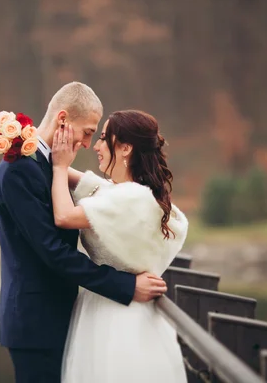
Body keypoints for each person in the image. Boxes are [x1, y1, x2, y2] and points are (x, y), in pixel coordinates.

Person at [0, 82, 168, 383]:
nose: (88, 143)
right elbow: (53, 252)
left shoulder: (46, 165)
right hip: (36, 324)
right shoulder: (21, 169)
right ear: (63, 119)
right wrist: (126, 285)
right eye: (88, 132)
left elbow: (99, 190)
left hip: (57, 318)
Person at [51, 109, 189, 383]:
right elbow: (91, 184)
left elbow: (64, 217)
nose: (96, 147)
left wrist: (58, 168)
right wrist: (41, 149)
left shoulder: (130, 197)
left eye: (103, 138)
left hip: (118, 317)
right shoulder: (121, 192)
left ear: (125, 147)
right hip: (109, 307)